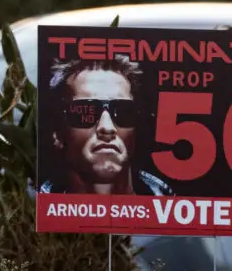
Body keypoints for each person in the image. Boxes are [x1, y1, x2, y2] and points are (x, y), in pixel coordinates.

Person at [40, 54, 173, 196]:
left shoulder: (173, 208)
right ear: (57, 133)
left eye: (123, 111)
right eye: (85, 111)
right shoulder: (30, 211)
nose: (107, 128)